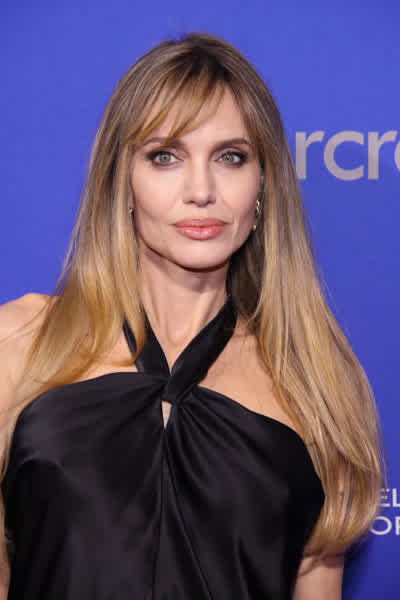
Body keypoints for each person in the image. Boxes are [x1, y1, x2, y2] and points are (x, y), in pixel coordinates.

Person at [0, 31, 385, 600]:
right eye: (165, 156)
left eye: (231, 157)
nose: (201, 190)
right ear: (122, 181)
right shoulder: (19, 343)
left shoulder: (314, 382)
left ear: (263, 184)